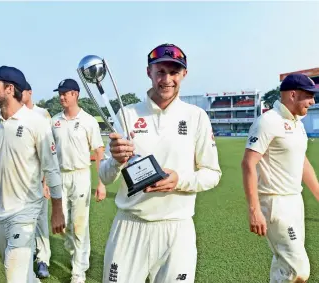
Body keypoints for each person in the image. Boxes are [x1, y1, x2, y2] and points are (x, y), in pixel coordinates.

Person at [99, 43, 222, 283]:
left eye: (174, 72)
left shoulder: (196, 117)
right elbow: (105, 177)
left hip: (177, 228)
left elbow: (212, 174)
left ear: (184, 74)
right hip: (130, 225)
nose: (167, 79)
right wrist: (115, 160)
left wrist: (180, 180)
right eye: (160, 71)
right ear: (149, 73)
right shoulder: (127, 115)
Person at [0, 66, 65, 283]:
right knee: (21, 273)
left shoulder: (37, 123)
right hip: (0, 212)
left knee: (14, 275)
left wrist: (57, 209)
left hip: (27, 210)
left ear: (9, 89)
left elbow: (51, 168)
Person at [241, 73, 319, 283]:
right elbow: (248, 163)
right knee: (298, 269)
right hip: (275, 202)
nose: (312, 101)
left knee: (283, 266)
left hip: (295, 201)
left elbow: (302, 163)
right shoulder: (268, 122)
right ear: (292, 95)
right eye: (309, 96)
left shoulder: (297, 124)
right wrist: (254, 210)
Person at [51, 78, 106, 283]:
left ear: (76, 94)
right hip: (59, 176)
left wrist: (101, 183)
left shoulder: (88, 120)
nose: (62, 96)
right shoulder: (54, 121)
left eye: (65, 93)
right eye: (60, 93)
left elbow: (99, 151)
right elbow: (49, 153)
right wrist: (46, 181)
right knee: (62, 225)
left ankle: (78, 271)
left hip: (81, 175)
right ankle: (76, 253)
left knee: (79, 225)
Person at [22, 81, 52, 278]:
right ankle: (28, 254)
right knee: (22, 221)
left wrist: (46, 181)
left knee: (40, 220)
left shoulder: (43, 114)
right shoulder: (11, 116)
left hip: (39, 177)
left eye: (21, 91)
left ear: (30, 93)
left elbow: (49, 151)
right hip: (19, 180)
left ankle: (43, 259)